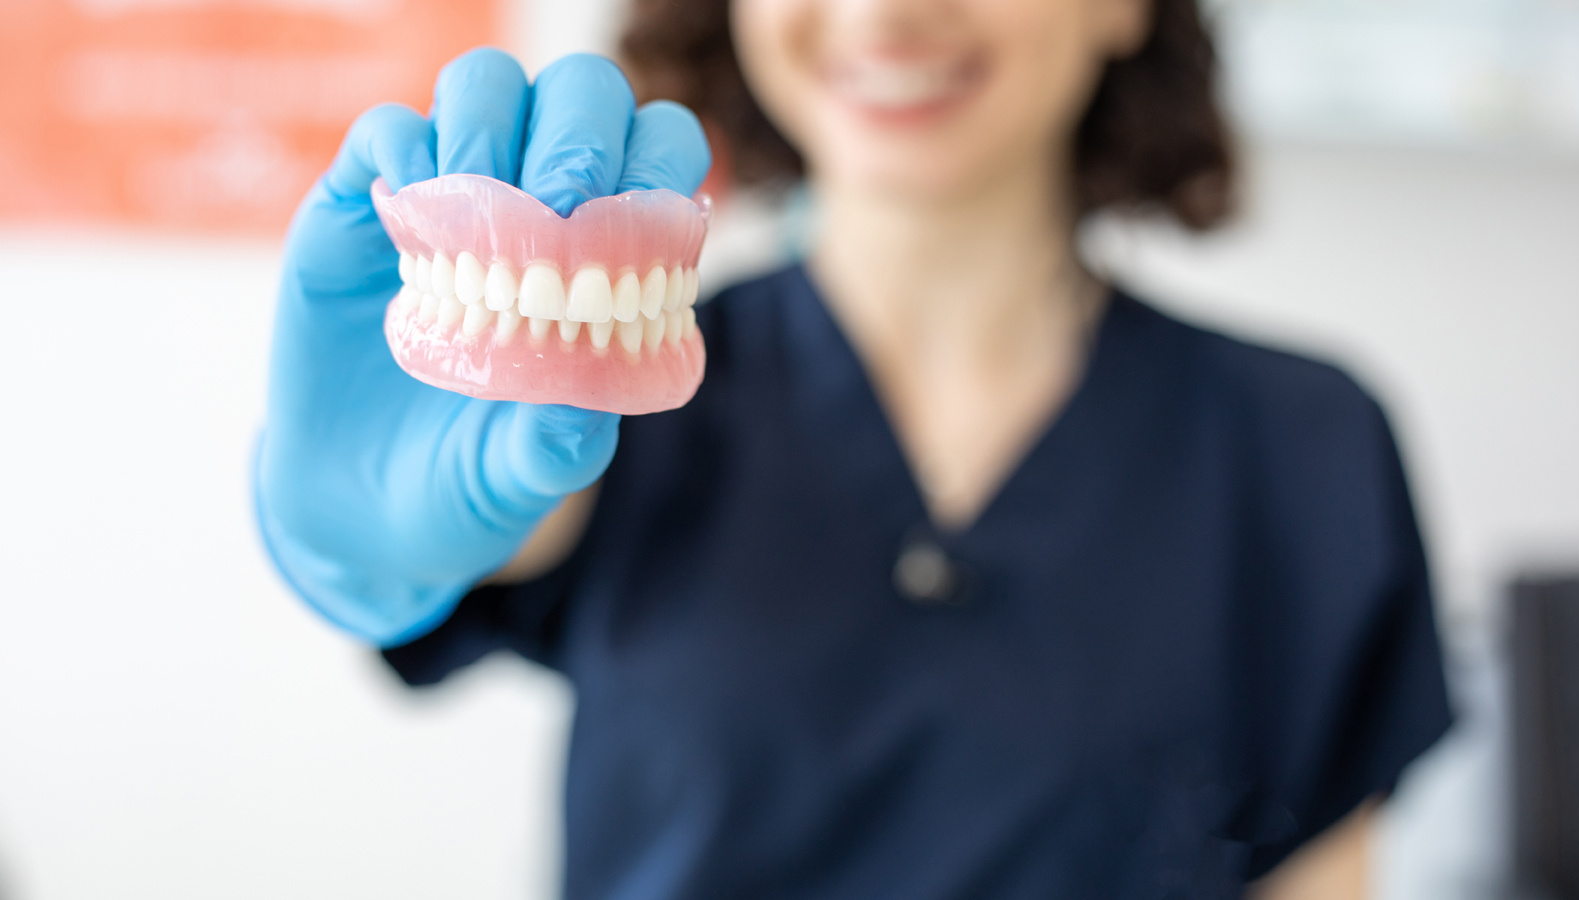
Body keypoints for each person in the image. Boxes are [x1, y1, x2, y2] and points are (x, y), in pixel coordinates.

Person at [256, 0, 1453, 895]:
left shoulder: (1303, 451)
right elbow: (462, 554)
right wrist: (352, 535)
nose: (886, 12)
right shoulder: (601, 395)